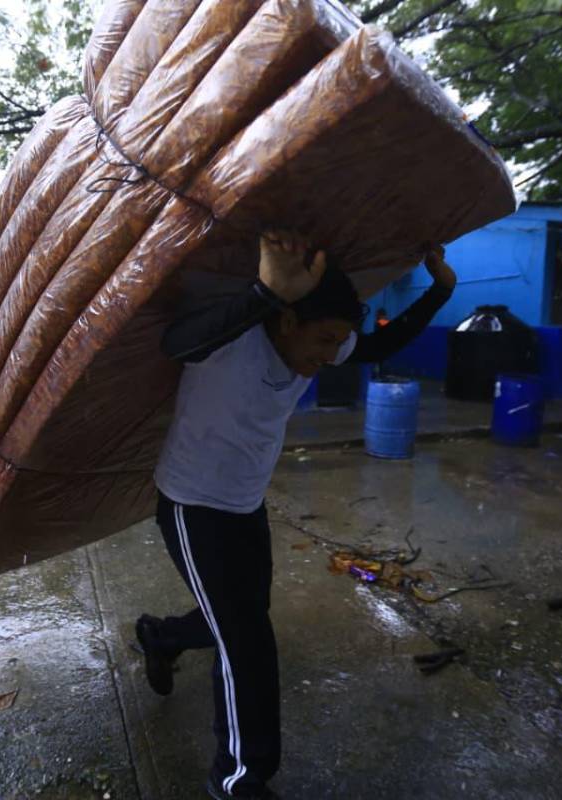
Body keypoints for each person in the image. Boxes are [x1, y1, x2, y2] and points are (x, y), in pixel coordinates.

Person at [136, 231, 457, 800]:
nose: (330, 355)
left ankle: (161, 637)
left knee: (241, 617)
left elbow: (378, 347)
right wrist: (265, 291)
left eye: (337, 341)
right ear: (286, 321)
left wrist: (440, 292)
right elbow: (175, 342)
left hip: (245, 504)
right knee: (246, 641)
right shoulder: (233, 338)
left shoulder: (318, 341)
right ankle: (238, 778)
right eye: (324, 340)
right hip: (192, 504)